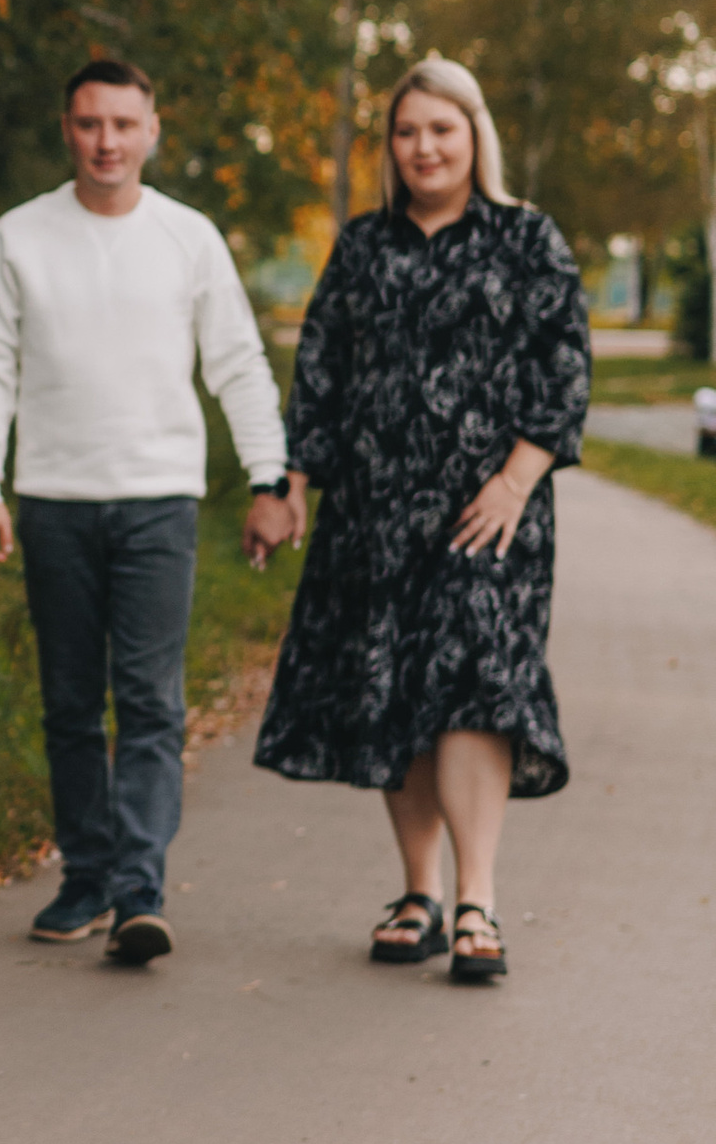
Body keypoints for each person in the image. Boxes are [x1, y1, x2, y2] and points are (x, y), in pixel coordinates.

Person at [252, 56, 588, 985]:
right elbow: (320, 373)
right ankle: (419, 893)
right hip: (375, 515)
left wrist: (515, 482)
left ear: (475, 135)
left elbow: (564, 367)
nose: (424, 147)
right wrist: (290, 485)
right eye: (407, 132)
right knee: (395, 690)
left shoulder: (527, 239)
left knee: (475, 685)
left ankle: (477, 897)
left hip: (492, 519)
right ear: (390, 148)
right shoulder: (362, 246)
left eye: (442, 129)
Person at [0, 57, 295, 968]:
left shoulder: (189, 239)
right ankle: (86, 876)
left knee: (149, 702)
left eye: (122, 123)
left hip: (159, 505)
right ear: (67, 130)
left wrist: (269, 478)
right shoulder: (20, 237)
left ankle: (138, 893)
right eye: (88, 123)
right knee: (71, 703)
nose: (105, 141)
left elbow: (237, 364)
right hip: (53, 503)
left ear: (152, 130)